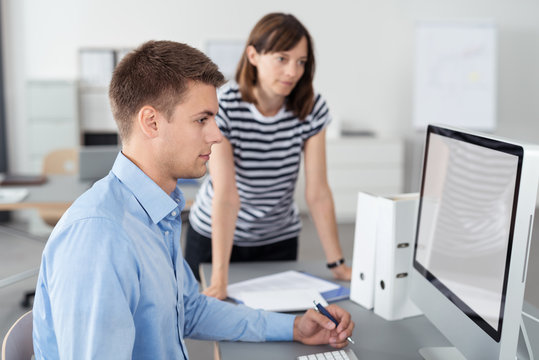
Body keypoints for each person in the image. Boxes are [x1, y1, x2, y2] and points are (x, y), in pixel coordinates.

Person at [32, 40, 354, 359]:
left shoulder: (158, 211)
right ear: (151, 122)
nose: (216, 134)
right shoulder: (100, 237)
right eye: (202, 119)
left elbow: (189, 309)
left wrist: (293, 327)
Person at [186, 12, 352, 299]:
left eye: (301, 62)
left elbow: (318, 192)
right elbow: (226, 195)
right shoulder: (225, 106)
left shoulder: (311, 108)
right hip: (217, 237)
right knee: (213, 322)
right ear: (253, 55)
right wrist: (220, 278)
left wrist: (337, 263)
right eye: (282, 59)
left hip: (278, 238)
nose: (293, 72)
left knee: (276, 326)